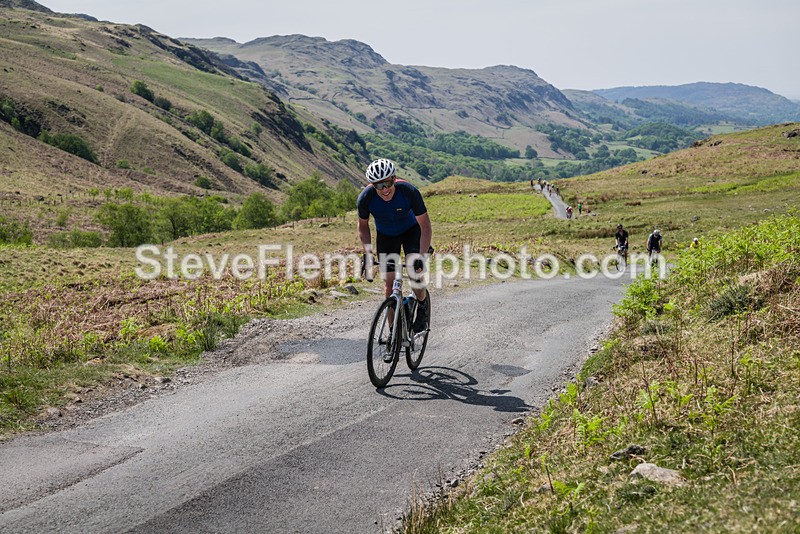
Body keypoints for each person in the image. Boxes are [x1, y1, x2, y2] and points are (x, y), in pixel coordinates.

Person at [357, 158, 432, 333]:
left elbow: (425, 226)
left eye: (388, 183)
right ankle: (394, 334)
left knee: (415, 274)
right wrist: (368, 253)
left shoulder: (409, 191)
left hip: (411, 231)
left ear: (394, 179)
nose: (384, 189)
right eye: (379, 185)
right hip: (386, 236)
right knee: (389, 286)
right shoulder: (366, 198)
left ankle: (422, 306)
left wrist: (421, 256)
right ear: (373, 185)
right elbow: (362, 226)